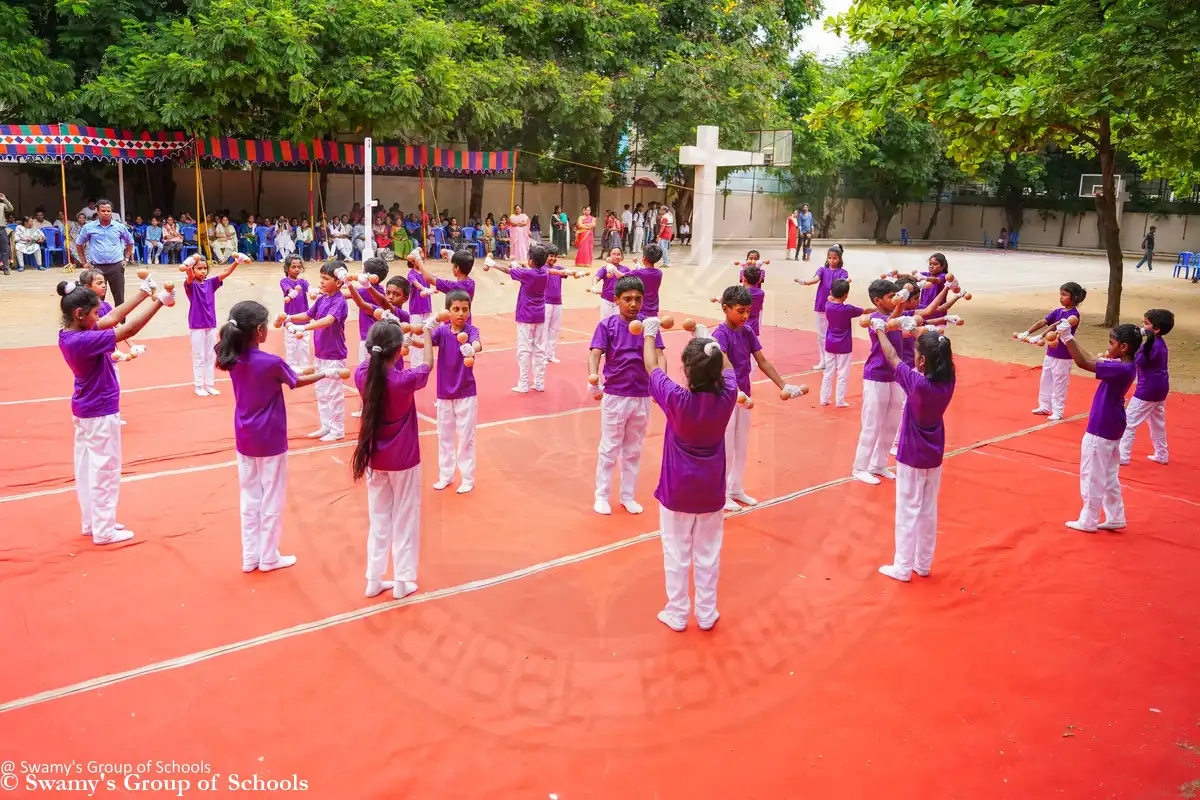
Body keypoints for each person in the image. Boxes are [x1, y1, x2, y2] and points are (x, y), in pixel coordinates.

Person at [216, 300, 335, 573]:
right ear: (259, 331)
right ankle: (268, 556)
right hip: (270, 438)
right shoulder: (270, 362)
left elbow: (288, 374)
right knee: (271, 497)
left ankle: (250, 556)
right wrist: (325, 373)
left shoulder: (228, 355)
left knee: (250, 497)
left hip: (244, 435)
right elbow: (294, 381)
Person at [57, 273, 171, 545]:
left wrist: (143, 294)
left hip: (85, 409)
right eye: (94, 313)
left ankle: (93, 522)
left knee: (87, 469)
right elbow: (127, 330)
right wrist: (159, 303)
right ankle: (105, 529)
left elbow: (111, 319)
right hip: (100, 410)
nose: (100, 317)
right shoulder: (84, 340)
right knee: (104, 470)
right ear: (79, 313)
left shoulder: (71, 332)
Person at [640, 322, 737, 631]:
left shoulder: (675, 399)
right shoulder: (729, 395)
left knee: (676, 552)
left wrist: (649, 332)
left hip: (677, 491)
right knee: (708, 554)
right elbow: (729, 366)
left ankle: (678, 612)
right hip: (711, 492)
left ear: (686, 370)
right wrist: (710, 342)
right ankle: (706, 613)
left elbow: (651, 365)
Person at [352, 320, 433, 600]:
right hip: (405, 459)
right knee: (405, 518)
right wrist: (428, 332)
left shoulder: (362, 375)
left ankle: (373, 578)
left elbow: (378, 363)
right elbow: (427, 366)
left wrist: (398, 344)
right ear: (399, 351)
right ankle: (402, 580)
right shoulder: (403, 380)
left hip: (376, 458)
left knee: (379, 519)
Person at [871, 328, 956, 582]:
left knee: (908, 509)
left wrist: (879, 331)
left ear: (920, 361)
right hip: (934, 451)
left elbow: (893, 357)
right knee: (928, 509)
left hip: (912, 453)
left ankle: (903, 566)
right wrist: (915, 333)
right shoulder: (949, 380)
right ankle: (923, 563)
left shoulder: (917, 383)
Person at [712, 285, 803, 510]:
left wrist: (784, 384)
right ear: (725, 308)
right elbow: (724, 363)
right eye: (740, 311)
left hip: (745, 397)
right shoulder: (720, 334)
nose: (745, 316)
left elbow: (762, 361)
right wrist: (735, 390)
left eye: (748, 312)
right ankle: (719, 492)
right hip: (726, 396)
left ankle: (735, 487)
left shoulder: (748, 332)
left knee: (741, 445)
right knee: (726, 446)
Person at [588, 276, 666, 516]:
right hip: (615, 395)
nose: (633, 304)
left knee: (633, 449)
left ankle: (627, 495)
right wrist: (594, 379)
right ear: (616, 300)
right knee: (610, 447)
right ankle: (601, 495)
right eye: (627, 299)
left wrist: (661, 383)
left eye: (637, 299)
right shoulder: (607, 325)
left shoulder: (649, 326)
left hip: (641, 395)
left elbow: (660, 355)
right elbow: (595, 354)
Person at [1056, 321, 1140, 532]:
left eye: (1112, 343)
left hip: (1101, 426)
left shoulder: (1120, 369)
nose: (1108, 347)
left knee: (1092, 473)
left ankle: (1089, 519)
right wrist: (1071, 339)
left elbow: (1084, 362)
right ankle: (1115, 515)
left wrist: (1067, 338)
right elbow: (1090, 359)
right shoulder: (1126, 365)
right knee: (1109, 474)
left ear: (1124, 347)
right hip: (1113, 424)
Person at [281, 261, 350, 442]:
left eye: (326, 279)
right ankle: (326, 425)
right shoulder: (322, 298)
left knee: (333, 393)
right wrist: (290, 317)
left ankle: (338, 429)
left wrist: (305, 329)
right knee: (321, 391)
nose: (321, 282)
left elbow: (328, 320)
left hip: (334, 355)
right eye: (321, 278)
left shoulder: (339, 301)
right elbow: (307, 315)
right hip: (320, 353)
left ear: (339, 282)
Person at [851, 278, 904, 485]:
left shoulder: (896, 316)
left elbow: (902, 316)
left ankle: (879, 464)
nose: (895, 300)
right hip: (876, 376)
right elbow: (888, 322)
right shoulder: (875, 318)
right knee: (872, 423)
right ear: (878, 300)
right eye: (891, 297)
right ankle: (860, 467)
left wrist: (903, 297)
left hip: (894, 376)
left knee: (891, 422)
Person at [430, 290, 483, 494]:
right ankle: (445, 475)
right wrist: (426, 328)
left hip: (466, 392)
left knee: (466, 438)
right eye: (456, 309)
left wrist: (471, 347)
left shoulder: (471, 331)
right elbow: (422, 341)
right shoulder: (442, 331)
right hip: (444, 393)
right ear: (448, 311)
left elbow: (477, 344)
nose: (461, 314)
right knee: (444, 436)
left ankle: (467, 478)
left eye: (465, 310)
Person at [1022, 282, 1086, 422]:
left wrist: (1040, 337)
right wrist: (1026, 332)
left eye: (1064, 295)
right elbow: (1043, 322)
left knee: (1059, 383)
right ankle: (1044, 406)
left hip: (1064, 356)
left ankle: (1058, 410)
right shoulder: (1058, 311)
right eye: (1060, 294)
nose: (1061, 297)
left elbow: (1057, 326)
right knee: (1046, 379)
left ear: (1074, 297)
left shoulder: (1074, 315)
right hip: (1050, 353)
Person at [490, 244, 549, 393]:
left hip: (526, 315)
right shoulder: (544, 272)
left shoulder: (528, 274)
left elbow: (508, 271)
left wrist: (492, 264)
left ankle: (523, 384)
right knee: (540, 350)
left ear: (531, 261)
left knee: (524, 350)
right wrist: (516, 263)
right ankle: (539, 383)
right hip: (540, 315)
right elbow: (522, 270)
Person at [184, 253, 245, 397]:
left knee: (210, 355)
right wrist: (189, 266)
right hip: (196, 325)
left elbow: (225, 273)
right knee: (199, 356)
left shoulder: (210, 283)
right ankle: (199, 385)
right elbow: (189, 276)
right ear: (193, 270)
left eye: (205, 268)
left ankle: (210, 384)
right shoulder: (191, 285)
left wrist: (236, 262)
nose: (203, 271)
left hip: (211, 324)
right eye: (199, 268)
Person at [1119, 308, 1173, 465]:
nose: (1143, 326)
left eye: (1146, 324)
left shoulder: (1152, 345)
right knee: (1157, 422)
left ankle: (1123, 455)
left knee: (1129, 421)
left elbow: (1137, 361)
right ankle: (1162, 454)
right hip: (1160, 388)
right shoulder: (1160, 344)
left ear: (1156, 329)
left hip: (1147, 390)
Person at [795, 245, 848, 370]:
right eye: (829, 258)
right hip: (821, 305)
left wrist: (847, 281)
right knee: (821, 335)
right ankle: (823, 360)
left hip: (835, 307)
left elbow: (844, 282)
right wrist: (804, 281)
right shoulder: (822, 270)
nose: (831, 260)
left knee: (834, 333)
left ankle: (834, 360)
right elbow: (815, 279)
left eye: (834, 258)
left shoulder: (843, 272)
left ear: (839, 259)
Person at [76, 199, 136, 305]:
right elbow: (79, 244)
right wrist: (84, 262)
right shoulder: (88, 227)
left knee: (119, 297)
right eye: (103, 211)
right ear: (98, 212)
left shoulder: (119, 227)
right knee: (97, 298)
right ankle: (99, 320)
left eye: (108, 211)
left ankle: (121, 321)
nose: (106, 213)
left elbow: (130, 242)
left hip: (116, 266)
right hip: (96, 267)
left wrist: (126, 258)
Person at [822, 279, 865, 408]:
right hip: (844, 345)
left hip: (830, 343)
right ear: (846, 294)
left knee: (828, 372)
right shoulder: (848, 309)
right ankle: (839, 400)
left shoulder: (828, 305)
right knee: (842, 373)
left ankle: (824, 398)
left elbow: (830, 297)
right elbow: (864, 310)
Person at [279, 255, 312, 370]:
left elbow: (310, 290)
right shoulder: (284, 281)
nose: (297, 269)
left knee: (304, 346)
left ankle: (304, 367)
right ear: (287, 268)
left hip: (304, 320)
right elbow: (290, 293)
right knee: (291, 346)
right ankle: (292, 369)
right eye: (293, 267)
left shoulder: (303, 282)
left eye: (299, 266)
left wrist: (314, 292)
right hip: (290, 320)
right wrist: (294, 292)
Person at [627, 243, 665, 319]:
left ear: (644, 258)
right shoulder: (659, 273)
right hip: (653, 311)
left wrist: (610, 266)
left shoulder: (638, 272)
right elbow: (645, 272)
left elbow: (620, 275)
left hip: (640, 311)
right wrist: (636, 263)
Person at [591, 248, 629, 319]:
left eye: (618, 254)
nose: (616, 256)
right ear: (609, 256)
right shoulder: (605, 268)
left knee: (618, 323)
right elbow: (596, 278)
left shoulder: (626, 269)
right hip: (606, 300)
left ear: (621, 257)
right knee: (605, 323)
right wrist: (594, 286)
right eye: (614, 254)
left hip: (620, 301)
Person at [741, 265, 765, 336]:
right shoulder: (761, 293)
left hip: (740, 326)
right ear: (760, 279)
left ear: (744, 280)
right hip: (754, 328)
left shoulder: (741, 292)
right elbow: (760, 308)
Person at [0, 190, 12, 274]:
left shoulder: (2, 205)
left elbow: (11, 209)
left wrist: (4, 199)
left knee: (5, 249)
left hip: (1, 229)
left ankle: (6, 268)